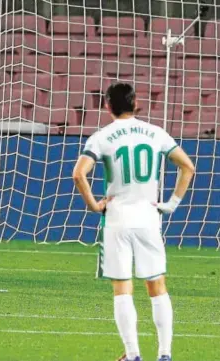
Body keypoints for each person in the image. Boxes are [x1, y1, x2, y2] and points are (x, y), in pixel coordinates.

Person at [72, 83, 195, 361]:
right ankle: (164, 354)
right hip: (149, 218)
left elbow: (79, 174)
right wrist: (171, 204)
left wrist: (94, 205)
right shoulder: (156, 133)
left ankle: (133, 354)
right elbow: (188, 166)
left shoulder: (102, 137)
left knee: (122, 287)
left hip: (117, 220)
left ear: (107, 106)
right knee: (157, 285)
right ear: (135, 102)